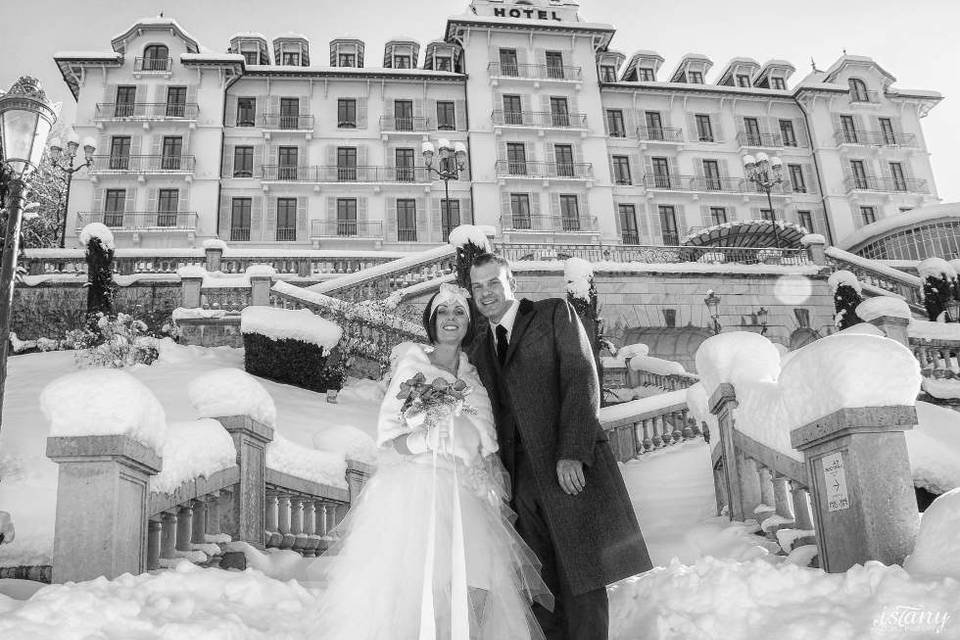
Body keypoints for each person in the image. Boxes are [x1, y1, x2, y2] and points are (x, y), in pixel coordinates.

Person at [316, 283, 552, 640]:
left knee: (479, 576)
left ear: (469, 322)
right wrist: (426, 436)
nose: (451, 318)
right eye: (443, 311)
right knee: (419, 579)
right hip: (417, 489)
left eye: (459, 312)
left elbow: (487, 441)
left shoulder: (473, 375)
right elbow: (388, 440)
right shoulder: (414, 365)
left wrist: (479, 453)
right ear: (432, 320)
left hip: (467, 492)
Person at [467, 253, 652, 640]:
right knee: (540, 586)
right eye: (478, 286)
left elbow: (581, 376)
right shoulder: (481, 348)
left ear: (511, 282)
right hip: (518, 482)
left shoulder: (553, 314)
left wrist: (573, 451)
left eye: (493, 282)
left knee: (582, 576)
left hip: (564, 468)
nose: (486, 293)